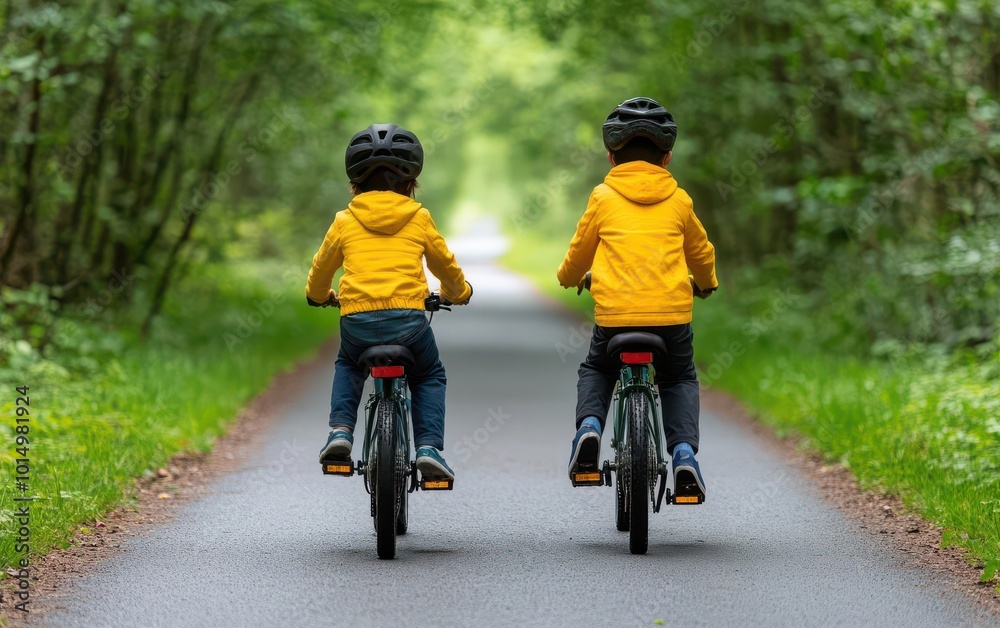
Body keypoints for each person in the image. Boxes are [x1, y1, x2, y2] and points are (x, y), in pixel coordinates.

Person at [558, 97, 718, 501]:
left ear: (611, 156)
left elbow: (579, 251)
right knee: (678, 377)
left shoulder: (602, 197)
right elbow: (701, 253)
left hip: (616, 317)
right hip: (671, 318)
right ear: (667, 157)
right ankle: (684, 455)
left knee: (597, 368)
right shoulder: (680, 200)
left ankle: (589, 429)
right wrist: (706, 283)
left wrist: (569, 278)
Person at [306, 123, 472, 481]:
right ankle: (428, 449)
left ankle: (340, 432)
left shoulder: (344, 221)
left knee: (348, 364)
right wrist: (459, 293)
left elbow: (321, 269)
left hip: (357, 323)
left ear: (355, 184)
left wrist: (318, 296)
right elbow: (445, 265)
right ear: (411, 183)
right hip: (409, 323)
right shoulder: (419, 218)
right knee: (429, 374)